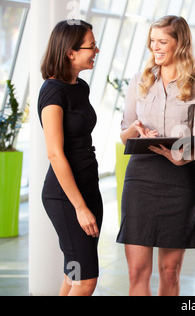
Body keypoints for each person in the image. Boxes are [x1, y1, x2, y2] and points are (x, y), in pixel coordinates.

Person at [116, 15, 195, 296]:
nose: (155, 47)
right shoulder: (140, 80)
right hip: (140, 178)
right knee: (137, 272)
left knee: (170, 273)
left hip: (177, 177)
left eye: (162, 42)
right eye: (152, 41)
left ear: (179, 43)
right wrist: (134, 130)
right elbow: (124, 134)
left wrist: (181, 158)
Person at [38, 19, 102, 296]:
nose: (96, 50)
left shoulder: (81, 86)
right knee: (85, 281)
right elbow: (55, 153)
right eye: (91, 46)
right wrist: (79, 207)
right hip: (66, 197)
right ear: (70, 52)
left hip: (89, 187)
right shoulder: (53, 92)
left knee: (73, 271)